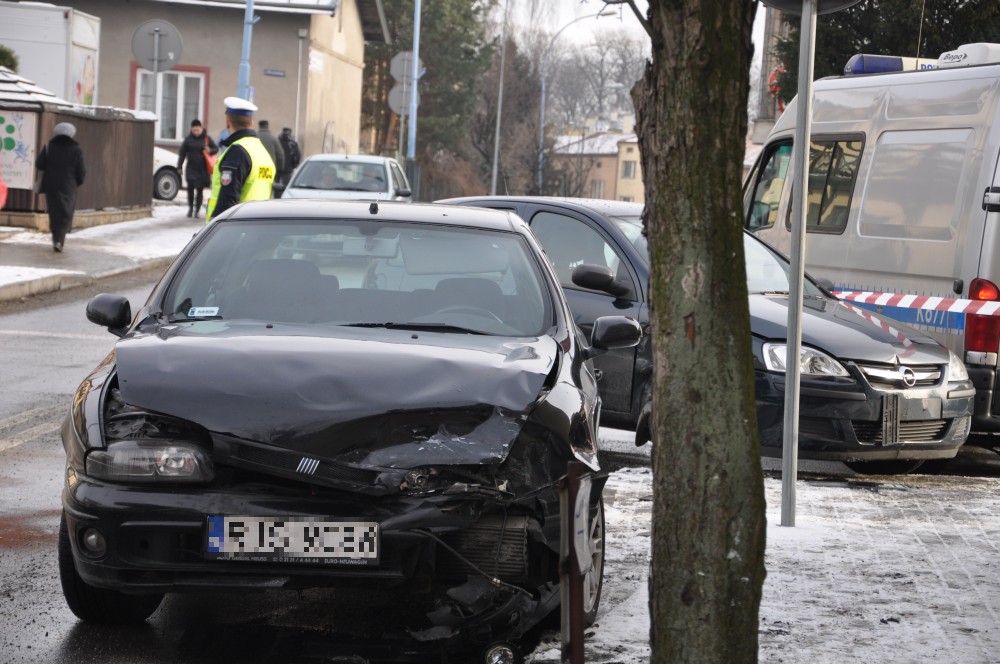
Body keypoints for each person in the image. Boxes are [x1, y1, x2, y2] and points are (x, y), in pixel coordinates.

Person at [205, 97, 276, 222]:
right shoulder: (262, 152)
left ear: (228, 122)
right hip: (257, 227)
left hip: (236, 232)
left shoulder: (237, 152)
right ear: (252, 122)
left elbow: (228, 200)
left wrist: (213, 235)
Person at [36, 122, 85, 252]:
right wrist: (78, 182)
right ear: (72, 133)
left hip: (51, 184)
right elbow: (81, 170)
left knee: (54, 211)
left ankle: (56, 238)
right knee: (66, 211)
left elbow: (39, 164)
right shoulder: (76, 149)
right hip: (68, 184)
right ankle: (59, 239)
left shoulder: (49, 146)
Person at [176, 119, 218, 218]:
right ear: (191, 129)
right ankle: (190, 209)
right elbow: (182, 154)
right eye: (194, 130)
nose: (196, 132)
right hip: (191, 168)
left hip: (202, 169)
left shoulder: (206, 138)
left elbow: (216, 149)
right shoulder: (188, 139)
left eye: (198, 130)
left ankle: (197, 211)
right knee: (190, 189)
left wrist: (210, 150)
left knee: (199, 190)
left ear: (201, 128)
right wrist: (179, 166)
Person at [256, 120, 284, 195]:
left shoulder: (254, 137)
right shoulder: (273, 139)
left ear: (259, 126)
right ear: (267, 126)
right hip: (269, 170)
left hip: (255, 168)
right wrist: (279, 171)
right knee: (268, 190)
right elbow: (280, 156)